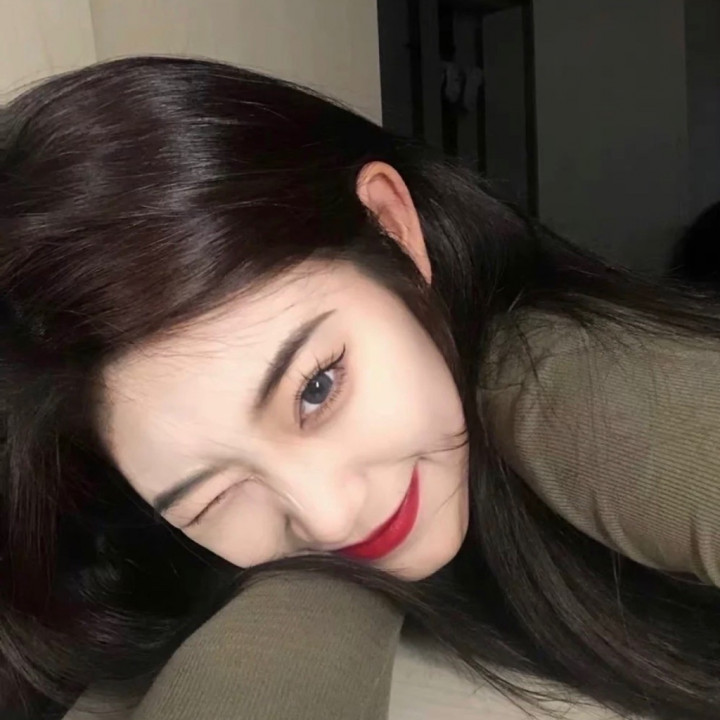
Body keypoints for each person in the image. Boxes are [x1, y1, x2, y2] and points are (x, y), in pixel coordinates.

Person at [1, 56, 719, 720]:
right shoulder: (186, 564)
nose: (330, 517)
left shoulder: (579, 386)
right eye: (212, 497)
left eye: (317, 387)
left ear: (392, 228)